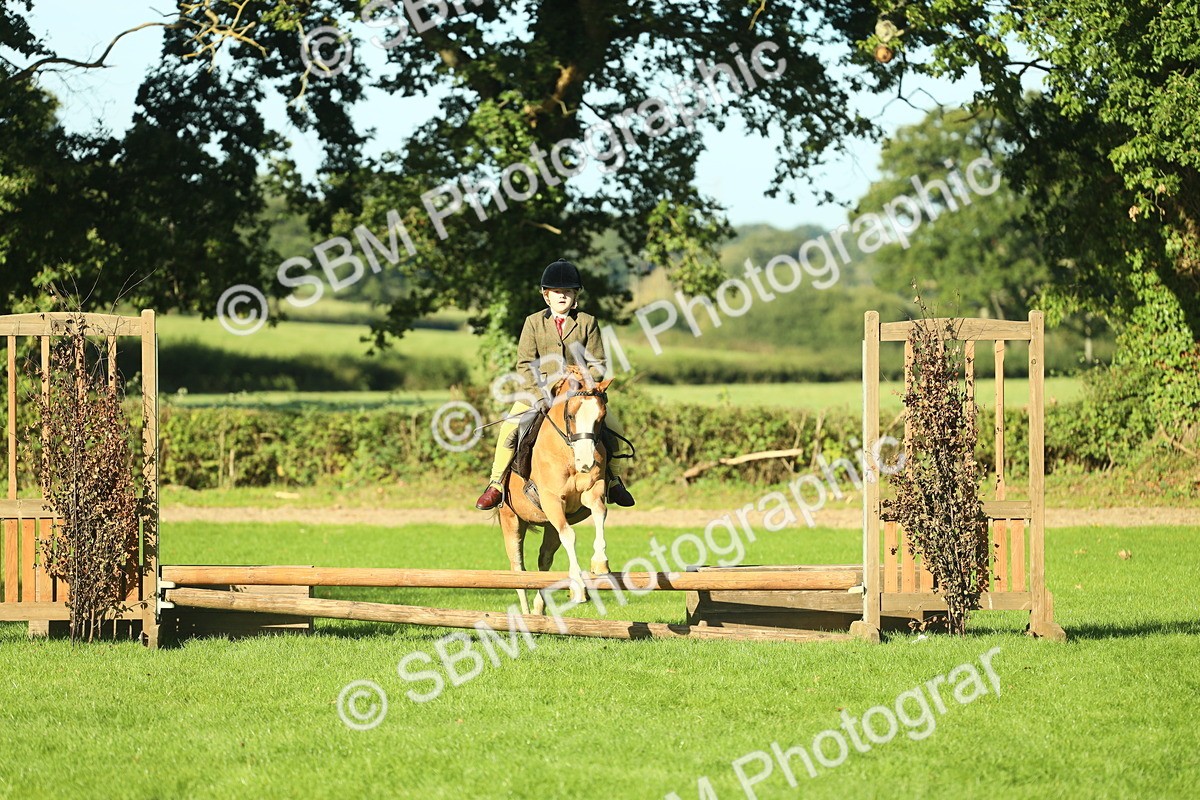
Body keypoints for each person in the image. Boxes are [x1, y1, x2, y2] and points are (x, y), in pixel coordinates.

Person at [475, 258, 635, 510]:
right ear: (546, 295)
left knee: (614, 428)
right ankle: (496, 484)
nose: (562, 296)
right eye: (557, 292)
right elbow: (525, 364)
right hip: (539, 393)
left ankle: (614, 480)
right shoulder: (533, 322)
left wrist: (582, 377)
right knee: (509, 428)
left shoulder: (587, 322)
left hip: (579, 396)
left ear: (575, 295)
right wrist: (540, 395)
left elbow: (599, 364)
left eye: (568, 292)